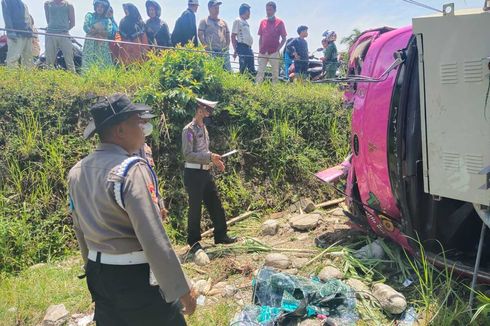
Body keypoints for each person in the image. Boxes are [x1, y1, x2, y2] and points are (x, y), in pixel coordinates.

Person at [69, 93, 196, 325]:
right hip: (133, 276)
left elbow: (80, 229)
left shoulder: (77, 171)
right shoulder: (129, 170)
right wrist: (182, 289)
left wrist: (92, 269)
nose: (144, 127)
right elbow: (153, 238)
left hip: (99, 272)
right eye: (138, 121)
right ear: (120, 131)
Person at [182, 98, 237, 266]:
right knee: (195, 208)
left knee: (215, 203)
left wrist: (215, 159)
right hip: (193, 173)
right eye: (207, 110)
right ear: (199, 110)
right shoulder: (188, 130)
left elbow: (204, 152)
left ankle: (220, 235)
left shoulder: (204, 128)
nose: (209, 113)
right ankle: (193, 242)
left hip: (205, 172)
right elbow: (188, 154)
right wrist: (209, 157)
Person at [255, 1, 287, 84]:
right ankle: (257, 89)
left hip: (274, 52)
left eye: (270, 10)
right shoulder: (262, 22)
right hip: (262, 51)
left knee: (275, 73)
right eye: (267, 10)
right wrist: (259, 49)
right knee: (260, 71)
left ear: (275, 10)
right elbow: (260, 37)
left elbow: (284, 38)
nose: (268, 12)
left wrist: (278, 49)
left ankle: (275, 91)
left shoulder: (280, 22)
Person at [82, 0, 116, 71]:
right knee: (88, 63)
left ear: (105, 9)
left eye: (102, 7)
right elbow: (85, 27)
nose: (99, 8)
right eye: (98, 6)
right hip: (90, 44)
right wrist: (100, 32)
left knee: (102, 63)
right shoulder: (89, 15)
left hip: (102, 45)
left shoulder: (108, 20)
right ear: (95, 7)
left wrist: (94, 30)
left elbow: (109, 32)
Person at [44, 0, 76, 72]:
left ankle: (73, 78)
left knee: (69, 59)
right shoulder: (47, 4)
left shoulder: (69, 5)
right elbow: (48, 20)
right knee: (49, 60)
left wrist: (63, 30)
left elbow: (73, 23)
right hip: (50, 34)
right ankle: (49, 78)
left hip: (64, 35)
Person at [198, 1, 231, 71]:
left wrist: (227, 46)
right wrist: (206, 47)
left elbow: (228, 35)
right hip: (212, 51)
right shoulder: (204, 21)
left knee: (227, 71)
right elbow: (200, 35)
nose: (217, 9)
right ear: (209, 8)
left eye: (218, 8)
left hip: (223, 51)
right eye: (215, 8)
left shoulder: (224, 22)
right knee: (213, 71)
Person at [1, 0, 33, 67]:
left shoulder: (23, 4)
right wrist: (10, 32)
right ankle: (11, 77)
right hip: (16, 34)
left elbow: (27, 19)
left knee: (28, 59)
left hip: (27, 34)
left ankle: (27, 76)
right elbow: (7, 16)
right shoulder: (6, 1)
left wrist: (30, 32)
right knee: (13, 58)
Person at [231, 3, 255, 75]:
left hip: (248, 48)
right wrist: (235, 49)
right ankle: (242, 82)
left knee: (251, 68)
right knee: (243, 67)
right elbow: (233, 36)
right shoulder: (237, 20)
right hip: (242, 47)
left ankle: (251, 83)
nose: (250, 14)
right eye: (249, 11)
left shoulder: (246, 22)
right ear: (245, 11)